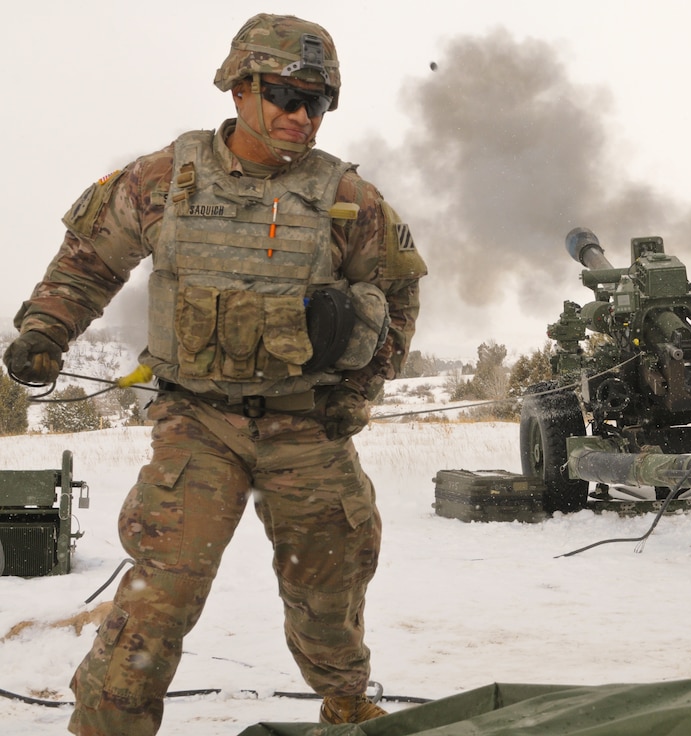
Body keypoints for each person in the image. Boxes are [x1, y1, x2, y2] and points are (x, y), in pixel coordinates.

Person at [2, 13, 426, 735]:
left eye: (317, 102)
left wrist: (359, 392)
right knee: (159, 596)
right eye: (285, 95)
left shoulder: (350, 198)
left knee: (331, 585)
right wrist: (45, 328)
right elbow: (88, 260)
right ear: (239, 87)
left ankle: (346, 702)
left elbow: (399, 296)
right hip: (198, 422)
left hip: (306, 422)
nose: (301, 116)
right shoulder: (167, 177)